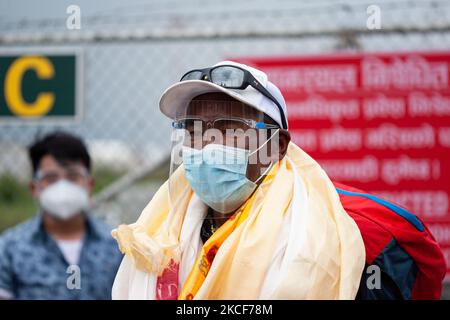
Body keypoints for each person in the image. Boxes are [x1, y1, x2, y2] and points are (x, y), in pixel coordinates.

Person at [111, 61, 446, 300]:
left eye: (227, 126)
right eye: (193, 129)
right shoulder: (156, 233)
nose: (207, 141)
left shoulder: (344, 233)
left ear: (277, 145)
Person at [0, 131, 122, 300]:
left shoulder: (118, 247)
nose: (62, 185)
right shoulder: (9, 249)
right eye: (50, 178)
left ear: (89, 185)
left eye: (73, 176)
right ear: (34, 188)